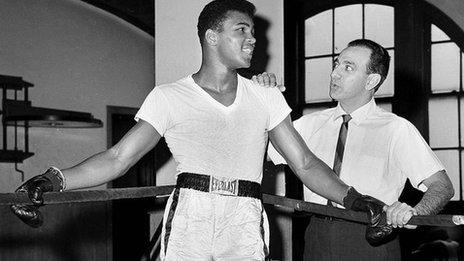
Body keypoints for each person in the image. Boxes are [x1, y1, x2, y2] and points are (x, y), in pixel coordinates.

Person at [10, 2, 392, 260]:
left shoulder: (265, 96)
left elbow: (306, 164)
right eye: (241, 30)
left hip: (245, 216)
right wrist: (51, 180)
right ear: (212, 37)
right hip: (190, 212)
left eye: (254, 31)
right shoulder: (169, 96)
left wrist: (356, 200)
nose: (253, 38)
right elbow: (117, 159)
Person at [261, 39, 454, 260]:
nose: (335, 73)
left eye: (348, 67)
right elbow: (257, 149)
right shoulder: (309, 124)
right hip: (316, 235)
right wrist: (262, 100)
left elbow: (442, 186)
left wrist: (415, 213)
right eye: (336, 64)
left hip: (371, 240)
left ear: (371, 80)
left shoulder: (396, 129)